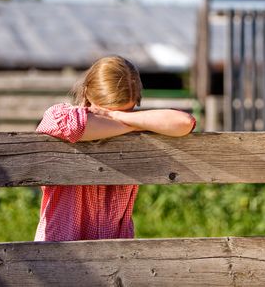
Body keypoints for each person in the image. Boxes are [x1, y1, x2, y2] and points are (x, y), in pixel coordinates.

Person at [34, 56, 196, 241]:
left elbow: (184, 122)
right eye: (107, 111)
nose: (115, 117)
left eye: (126, 111)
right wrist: (136, 123)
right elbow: (74, 126)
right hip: (61, 246)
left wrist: (119, 116)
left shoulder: (128, 120)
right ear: (87, 94)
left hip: (116, 249)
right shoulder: (61, 116)